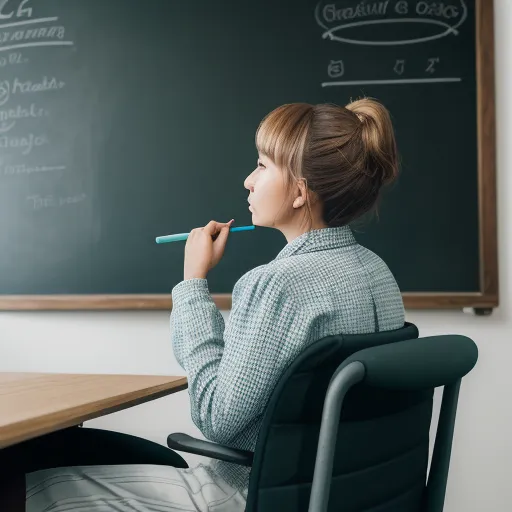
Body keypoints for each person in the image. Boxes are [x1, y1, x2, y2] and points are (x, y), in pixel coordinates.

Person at [25, 98, 405, 512]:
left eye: (262, 165)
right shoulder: (378, 273)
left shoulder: (276, 286)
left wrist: (192, 283)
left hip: (254, 493)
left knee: (30, 488)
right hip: (341, 494)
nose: (248, 180)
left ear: (299, 191)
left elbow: (216, 418)